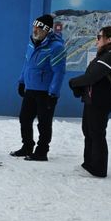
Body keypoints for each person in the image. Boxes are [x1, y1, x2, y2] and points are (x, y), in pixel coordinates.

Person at [12, 15, 66, 161]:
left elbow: (59, 72)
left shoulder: (56, 47)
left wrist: (53, 93)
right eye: (34, 26)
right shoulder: (32, 43)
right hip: (30, 89)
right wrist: (22, 81)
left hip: (45, 92)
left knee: (44, 123)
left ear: (47, 30)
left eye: (39, 28)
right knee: (24, 118)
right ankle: (27, 146)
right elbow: (27, 64)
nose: (35, 29)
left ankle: (42, 151)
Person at [68, 26, 111, 177]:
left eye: (99, 36)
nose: (96, 39)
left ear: (109, 40)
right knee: (88, 130)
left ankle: (98, 169)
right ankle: (88, 163)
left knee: (96, 133)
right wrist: (80, 89)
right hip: (92, 99)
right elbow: (92, 77)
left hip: (101, 101)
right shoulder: (103, 54)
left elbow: (92, 77)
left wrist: (73, 82)